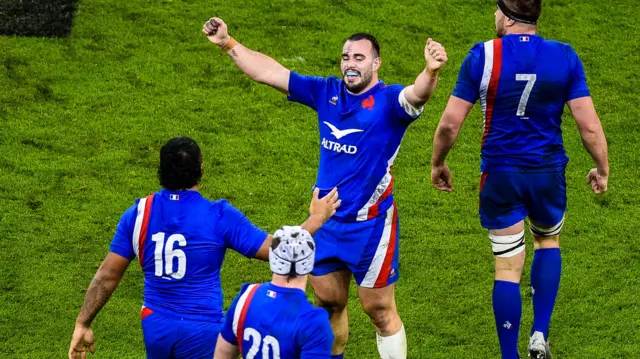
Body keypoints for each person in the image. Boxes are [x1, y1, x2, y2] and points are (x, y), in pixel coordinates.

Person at [203, 17, 448, 359]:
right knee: (329, 303)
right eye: (346, 57)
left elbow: (417, 94)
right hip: (325, 222)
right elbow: (269, 72)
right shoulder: (326, 91)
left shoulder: (390, 102)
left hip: (371, 225)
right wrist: (229, 43)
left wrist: (431, 71)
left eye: (359, 58)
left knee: (378, 310)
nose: (350, 63)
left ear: (376, 63)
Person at [430, 0, 609, 358]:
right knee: (547, 242)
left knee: (507, 267)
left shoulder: (483, 55)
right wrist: (601, 167)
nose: (494, 16)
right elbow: (587, 125)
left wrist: (438, 162)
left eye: (497, 10)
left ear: (508, 17)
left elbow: (450, 124)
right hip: (547, 172)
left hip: (500, 175)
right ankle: (539, 334)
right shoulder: (564, 56)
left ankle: (509, 355)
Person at [68, 136, 341, 359]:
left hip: (155, 326)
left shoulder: (137, 214)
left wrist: (83, 323)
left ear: (161, 172)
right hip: (203, 332)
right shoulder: (218, 216)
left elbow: (107, 276)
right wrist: (315, 219)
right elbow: (277, 250)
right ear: (201, 168)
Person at [214, 226, 334, 359]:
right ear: (310, 263)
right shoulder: (314, 322)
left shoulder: (246, 297)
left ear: (272, 257)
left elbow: (222, 354)